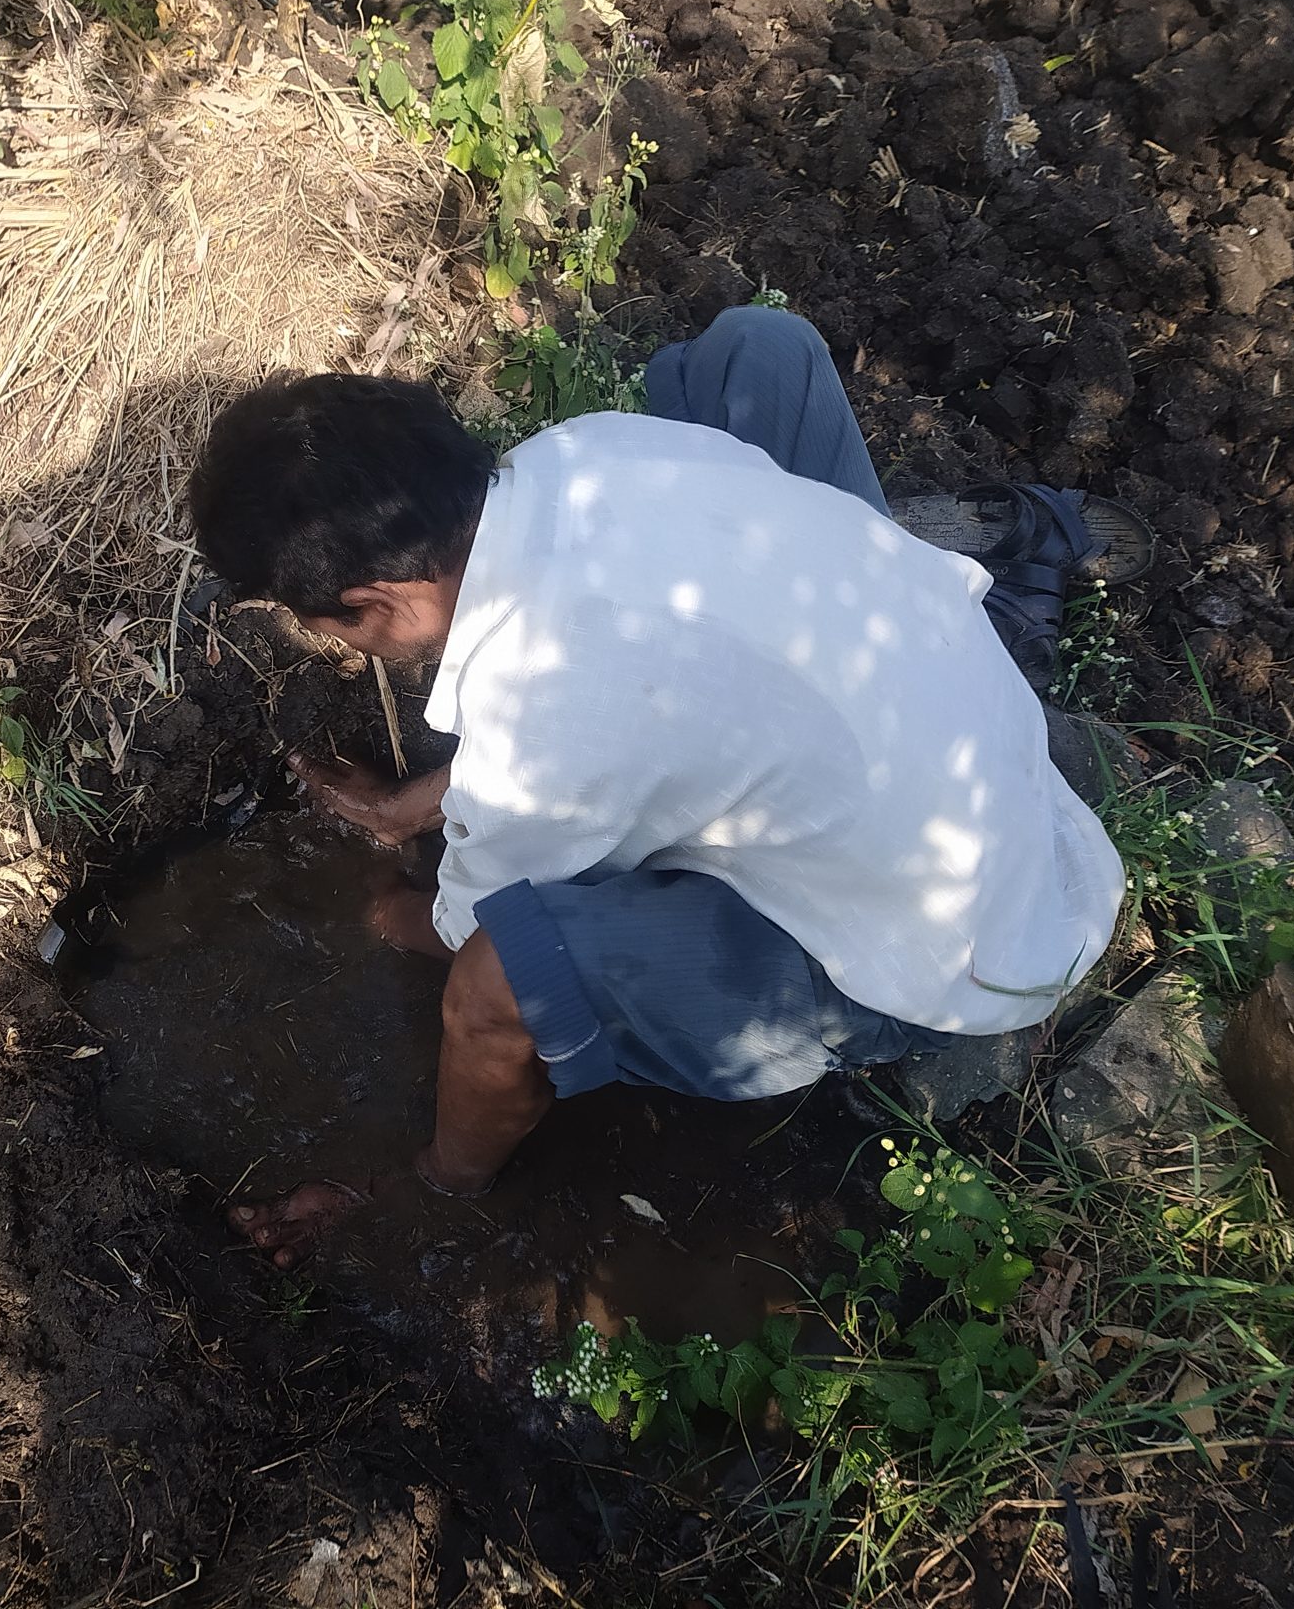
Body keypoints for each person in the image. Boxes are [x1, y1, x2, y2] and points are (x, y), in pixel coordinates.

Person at [185, 306, 1125, 1266]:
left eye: (322, 628)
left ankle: (443, 1188)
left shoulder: (540, 715)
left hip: (957, 954)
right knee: (754, 352)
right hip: (953, 757)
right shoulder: (593, 453)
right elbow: (599, 719)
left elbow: (470, 929)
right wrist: (406, 807)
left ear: (374, 604)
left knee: (500, 983)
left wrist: (375, 913)